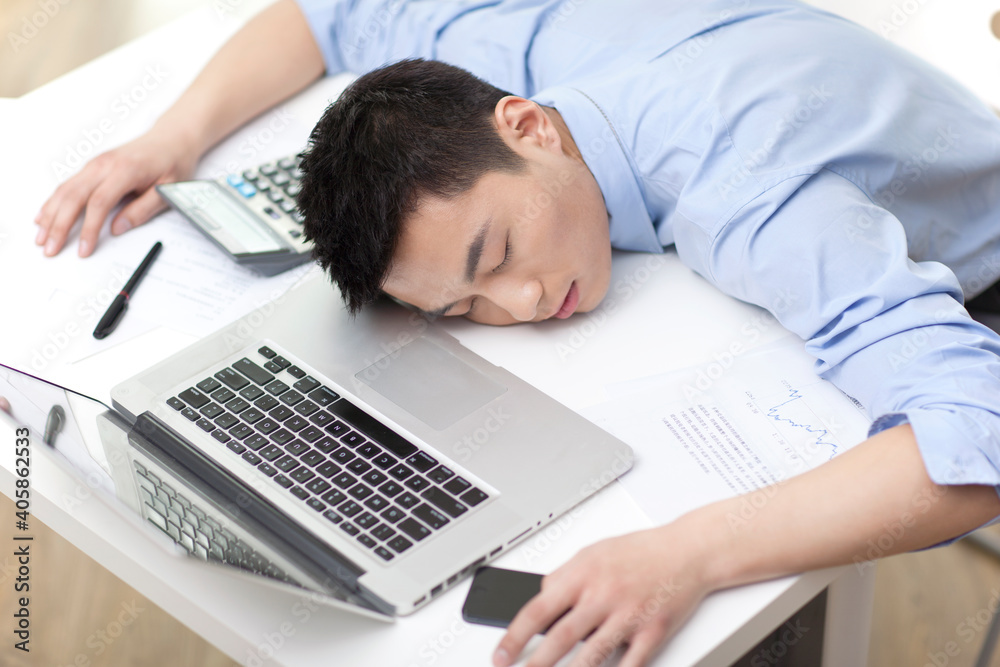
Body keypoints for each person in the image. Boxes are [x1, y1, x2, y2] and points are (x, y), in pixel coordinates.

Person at [33, 1, 1000, 665]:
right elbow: (326, 13)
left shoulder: (750, 200)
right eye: (465, 307)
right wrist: (172, 138)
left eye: (495, 250)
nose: (525, 302)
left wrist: (689, 553)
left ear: (528, 126)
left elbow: (975, 439)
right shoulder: (513, 65)